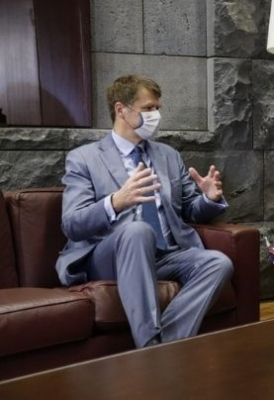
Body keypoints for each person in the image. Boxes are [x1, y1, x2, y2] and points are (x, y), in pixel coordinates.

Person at [56, 75, 234, 348]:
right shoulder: (84, 158)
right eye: (148, 108)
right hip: (109, 255)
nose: (156, 116)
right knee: (137, 231)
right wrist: (115, 201)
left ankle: (165, 348)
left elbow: (189, 210)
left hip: (166, 254)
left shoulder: (168, 155)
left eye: (158, 108)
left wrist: (209, 198)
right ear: (121, 110)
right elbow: (72, 224)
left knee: (218, 263)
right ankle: (148, 343)